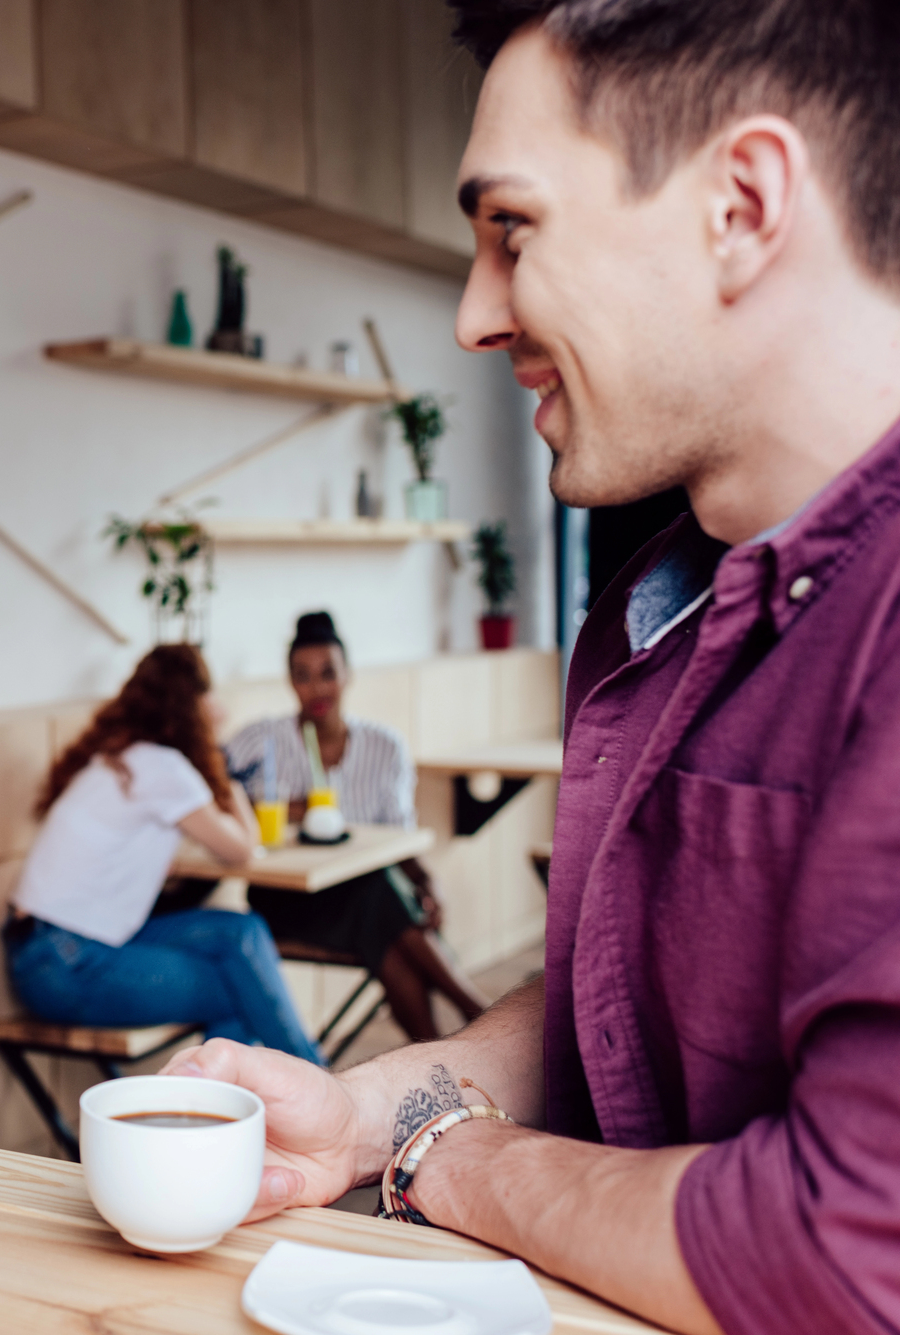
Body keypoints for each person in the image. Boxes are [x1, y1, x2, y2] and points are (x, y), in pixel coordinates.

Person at [166, 3, 900, 1332]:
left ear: (741, 204)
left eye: (512, 230)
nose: (471, 315)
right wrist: (366, 1110)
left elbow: (848, 1250)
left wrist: (444, 1155)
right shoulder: (657, 613)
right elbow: (616, 1006)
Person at [3, 645, 323, 1065]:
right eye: (210, 696)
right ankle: (320, 1093)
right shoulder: (164, 768)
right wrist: (221, 768)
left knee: (240, 933)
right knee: (239, 989)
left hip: (52, 950)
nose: (219, 708)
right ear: (192, 706)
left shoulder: (119, 758)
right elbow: (241, 850)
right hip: (69, 964)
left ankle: (294, 1097)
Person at [224, 612, 489, 1041]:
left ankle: (437, 1054)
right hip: (287, 901)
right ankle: (475, 1012)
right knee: (379, 898)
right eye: (303, 676)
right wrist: (268, 808)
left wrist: (427, 883)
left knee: (380, 910)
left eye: (328, 674)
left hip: (366, 900)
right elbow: (207, 784)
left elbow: (398, 843)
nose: (317, 688)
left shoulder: (385, 749)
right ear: (290, 681)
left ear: (348, 675)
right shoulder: (262, 741)